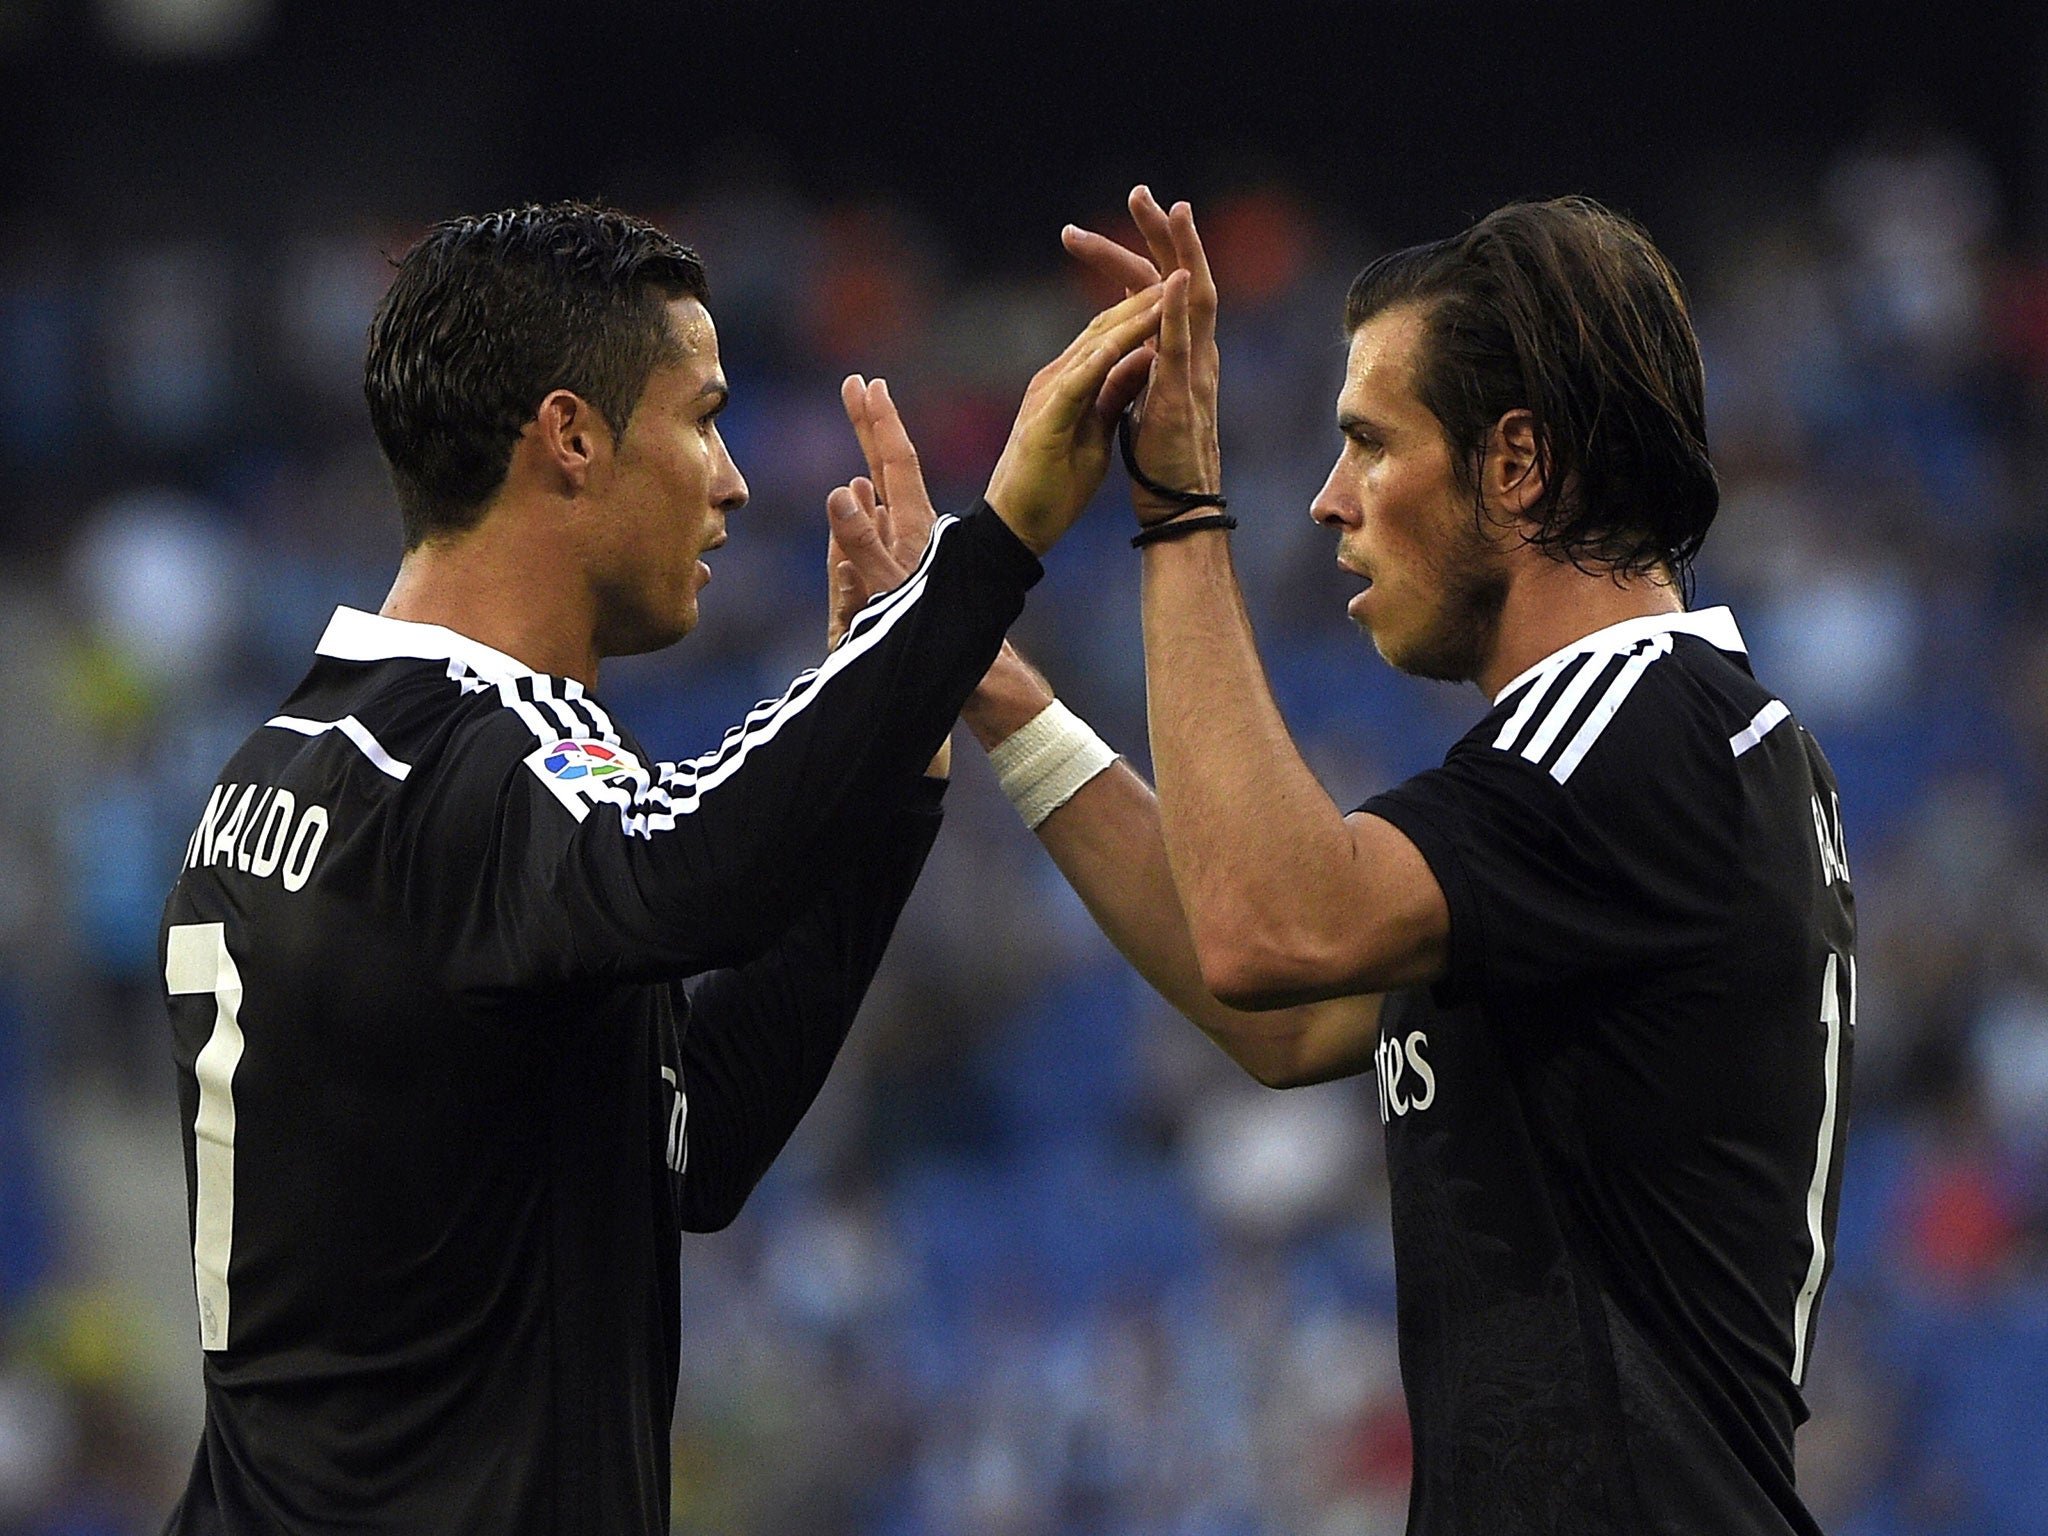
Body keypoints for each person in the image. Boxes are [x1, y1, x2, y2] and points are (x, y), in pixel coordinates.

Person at [835, 188, 1855, 1534]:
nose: (1325, 503)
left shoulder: (1633, 727)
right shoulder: (1679, 751)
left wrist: (1180, 506)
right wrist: (997, 689)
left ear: (1519, 464)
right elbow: (1297, 1007)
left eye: (1370, 446)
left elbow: (1271, 929)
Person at [156, 199, 1164, 1535]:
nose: (735, 478)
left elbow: (695, 1146)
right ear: (571, 436)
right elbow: (695, 867)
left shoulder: (292, 761)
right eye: (701, 416)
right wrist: (991, 556)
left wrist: (894, 743)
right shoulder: (484, 759)